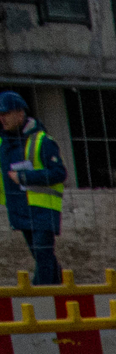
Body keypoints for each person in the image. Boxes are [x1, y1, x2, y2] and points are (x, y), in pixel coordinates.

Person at [0, 91, 65, 287]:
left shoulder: (42, 141)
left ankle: (40, 295)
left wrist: (24, 177)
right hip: (19, 208)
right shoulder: (4, 144)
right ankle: (58, 289)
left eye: (5, 113)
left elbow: (58, 173)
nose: (1, 118)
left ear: (20, 114)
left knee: (43, 254)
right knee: (42, 255)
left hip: (42, 209)